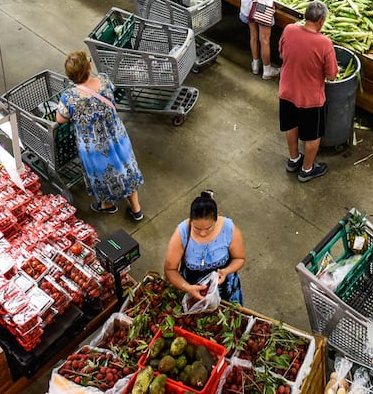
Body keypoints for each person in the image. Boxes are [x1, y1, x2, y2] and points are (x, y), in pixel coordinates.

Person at [56, 50, 144, 221]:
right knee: (125, 168)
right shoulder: (104, 81)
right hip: (117, 137)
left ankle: (107, 205)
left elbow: (60, 119)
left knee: (102, 175)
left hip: (93, 146)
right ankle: (136, 208)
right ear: (88, 68)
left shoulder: (69, 97)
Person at [278, 0, 338, 182]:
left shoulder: (289, 30)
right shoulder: (324, 43)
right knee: (312, 135)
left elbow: (281, 53)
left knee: (291, 125)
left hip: (287, 91)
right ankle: (306, 169)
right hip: (310, 98)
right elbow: (332, 75)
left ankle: (294, 159)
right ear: (321, 21)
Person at [165, 191, 246, 305]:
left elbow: (239, 258)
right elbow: (170, 270)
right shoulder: (182, 233)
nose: (202, 233)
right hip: (194, 295)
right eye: (197, 228)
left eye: (208, 228)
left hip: (226, 293)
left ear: (216, 219)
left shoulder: (228, 229)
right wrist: (187, 287)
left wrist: (225, 271)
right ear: (191, 221)